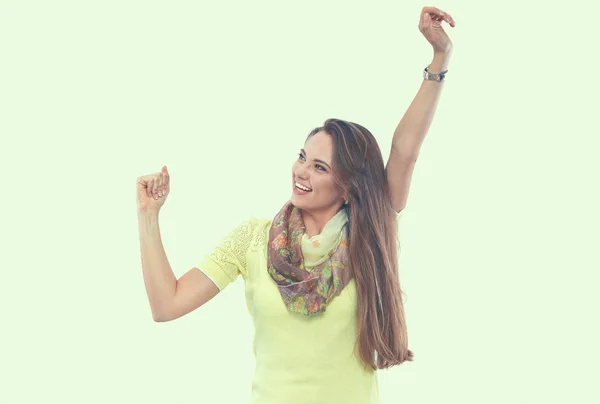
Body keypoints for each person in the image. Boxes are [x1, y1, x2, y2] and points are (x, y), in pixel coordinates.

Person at [136, 6, 455, 404]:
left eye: (319, 166)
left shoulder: (367, 233)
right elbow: (167, 304)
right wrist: (149, 216)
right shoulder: (253, 239)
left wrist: (439, 58)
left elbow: (403, 152)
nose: (301, 171)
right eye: (302, 156)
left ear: (347, 186)